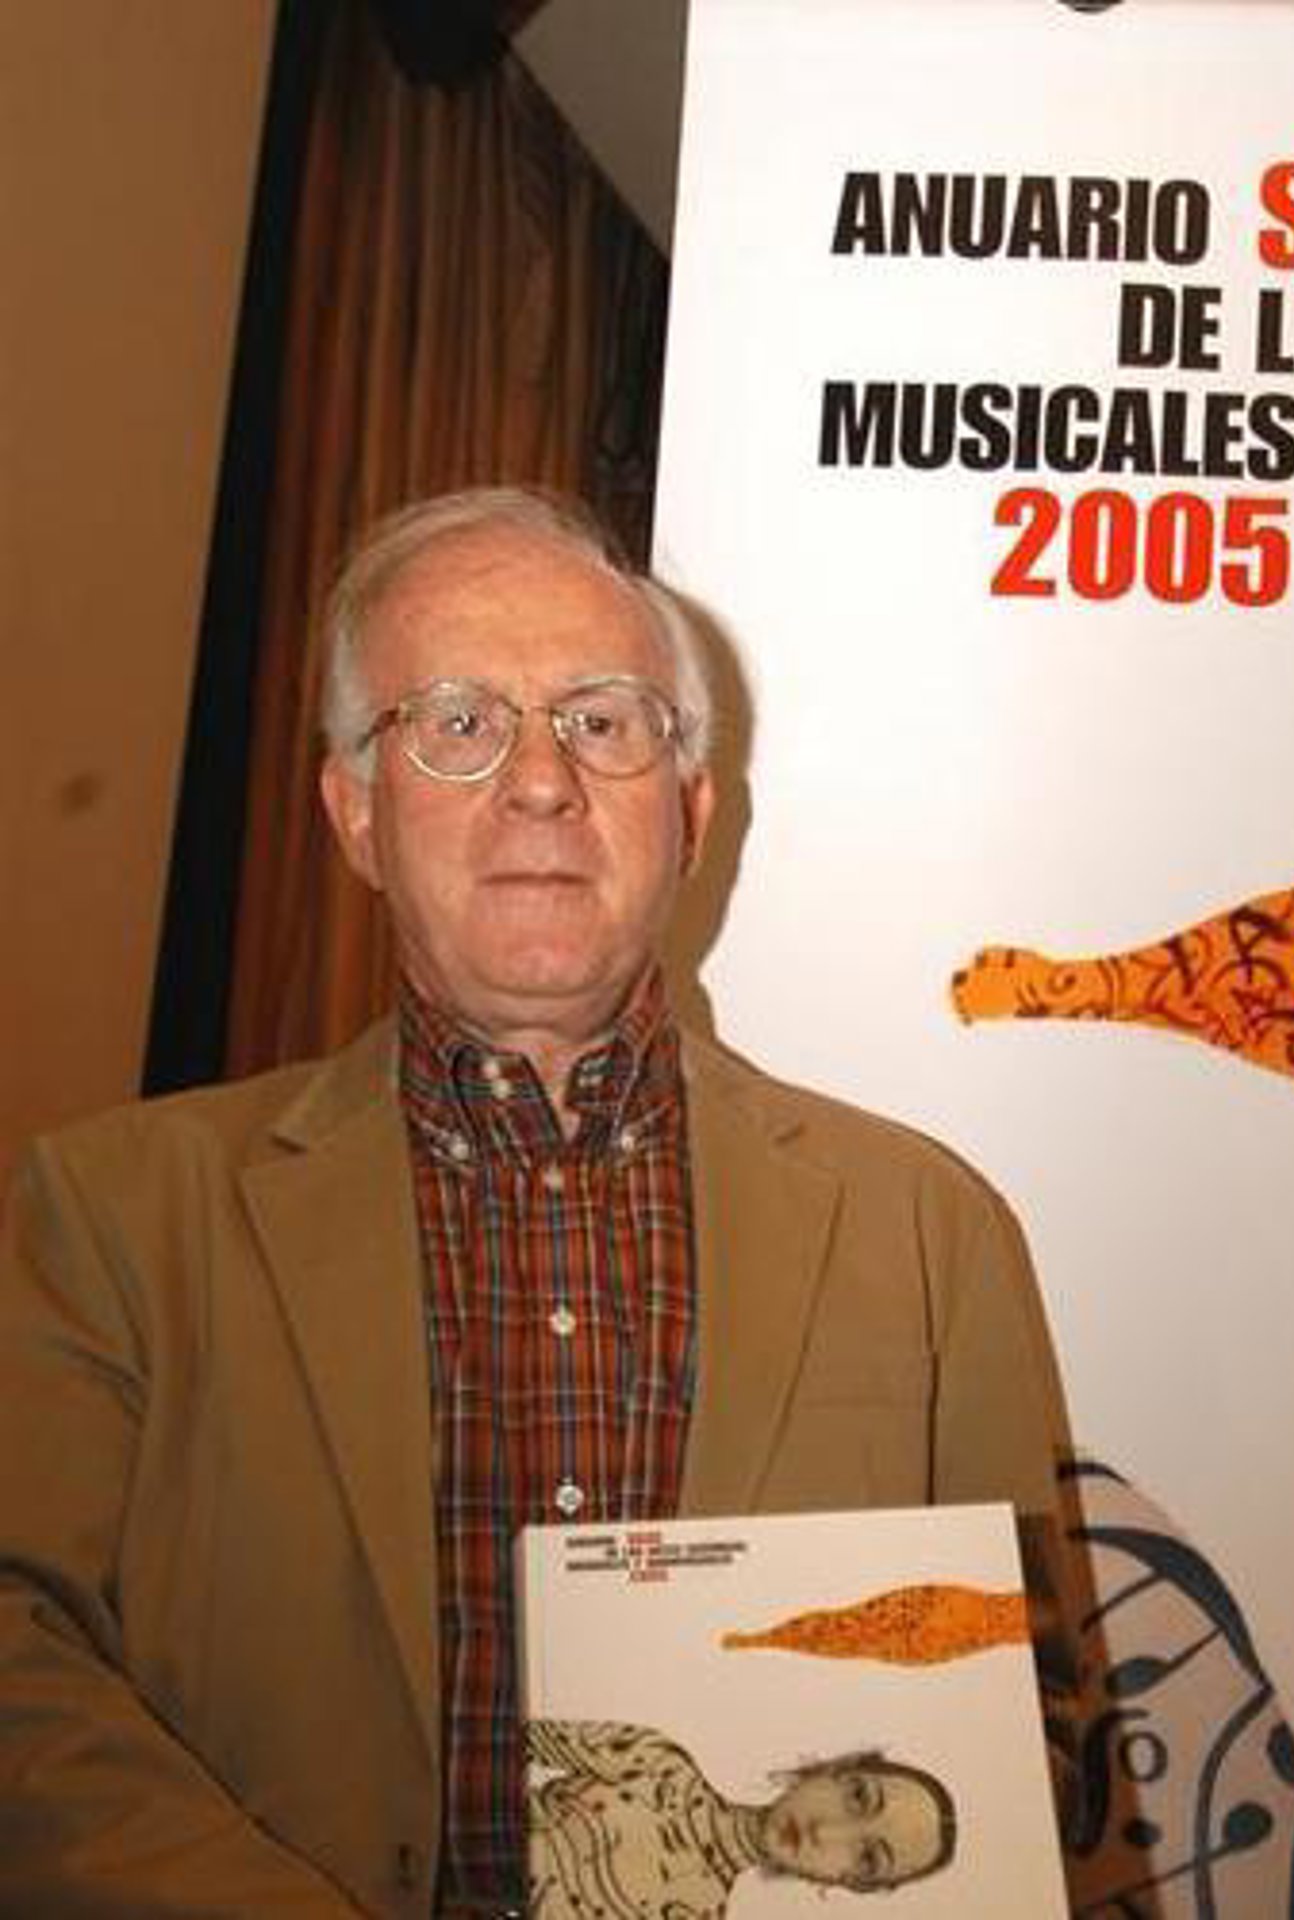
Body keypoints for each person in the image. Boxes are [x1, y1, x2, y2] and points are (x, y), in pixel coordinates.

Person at [0, 488, 1073, 1917]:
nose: (543, 782)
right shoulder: (111, 1223)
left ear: (690, 812)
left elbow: (1019, 1730)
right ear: (355, 814)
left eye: (603, 721)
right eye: (458, 722)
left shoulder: (930, 1233)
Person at [525, 1722, 954, 1917]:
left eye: (867, 1858)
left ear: (850, 1883)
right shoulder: (657, 1763)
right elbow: (515, 1738)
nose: (825, 1832)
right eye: (858, 1797)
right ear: (834, 1768)